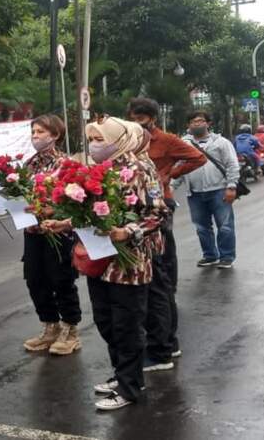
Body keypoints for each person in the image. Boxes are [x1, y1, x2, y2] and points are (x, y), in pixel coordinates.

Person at [44, 117, 166, 411]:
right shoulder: (101, 169)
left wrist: (128, 231)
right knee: (105, 320)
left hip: (129, 262)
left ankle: (130, 387)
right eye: (92, 140)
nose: (94, 145)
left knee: (127, 325)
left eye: (100, 139)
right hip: (100, 258)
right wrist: (65, 223)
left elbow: (158, 214)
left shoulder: (141, 169)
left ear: (119, 139)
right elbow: (92, 214)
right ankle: (122, 374)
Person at [127, 97, 207, 371]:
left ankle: (165, 344)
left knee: (159, 278)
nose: (138, 123)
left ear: (153, 118)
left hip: (159, 207)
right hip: (138, 209)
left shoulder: (167, 140)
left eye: (142, 118)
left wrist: (169, 173)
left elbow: (197, 157)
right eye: (134, 118)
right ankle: (166, 342)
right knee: (155, 279)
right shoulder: (132, 141)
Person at [20, 114, 82, 356]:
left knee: (61, 279)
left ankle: (70, 330)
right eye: (33, 132)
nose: (35, 137)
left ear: (55, 135)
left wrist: (52, 210)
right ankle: (50, 326)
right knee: (35, 279)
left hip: (58, 230)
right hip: (33, 230)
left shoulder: (66, 165)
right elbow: (21, 194)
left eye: (41, 132)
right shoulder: (29, 164)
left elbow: (77, 200)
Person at [172, 111, 241, 269]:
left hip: (219, 190)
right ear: (188, 125)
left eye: (201, 121)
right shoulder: (183, 144)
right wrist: (169, 187)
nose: (197, 124)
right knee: (201, 227)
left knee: (225, 225)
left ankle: (226, 256)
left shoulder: (221, 142)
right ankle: (209, 255)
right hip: (194, 193)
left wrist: (231, 186)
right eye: (194, 121)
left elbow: (232, 164)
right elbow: (178, 169)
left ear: (208, 123)